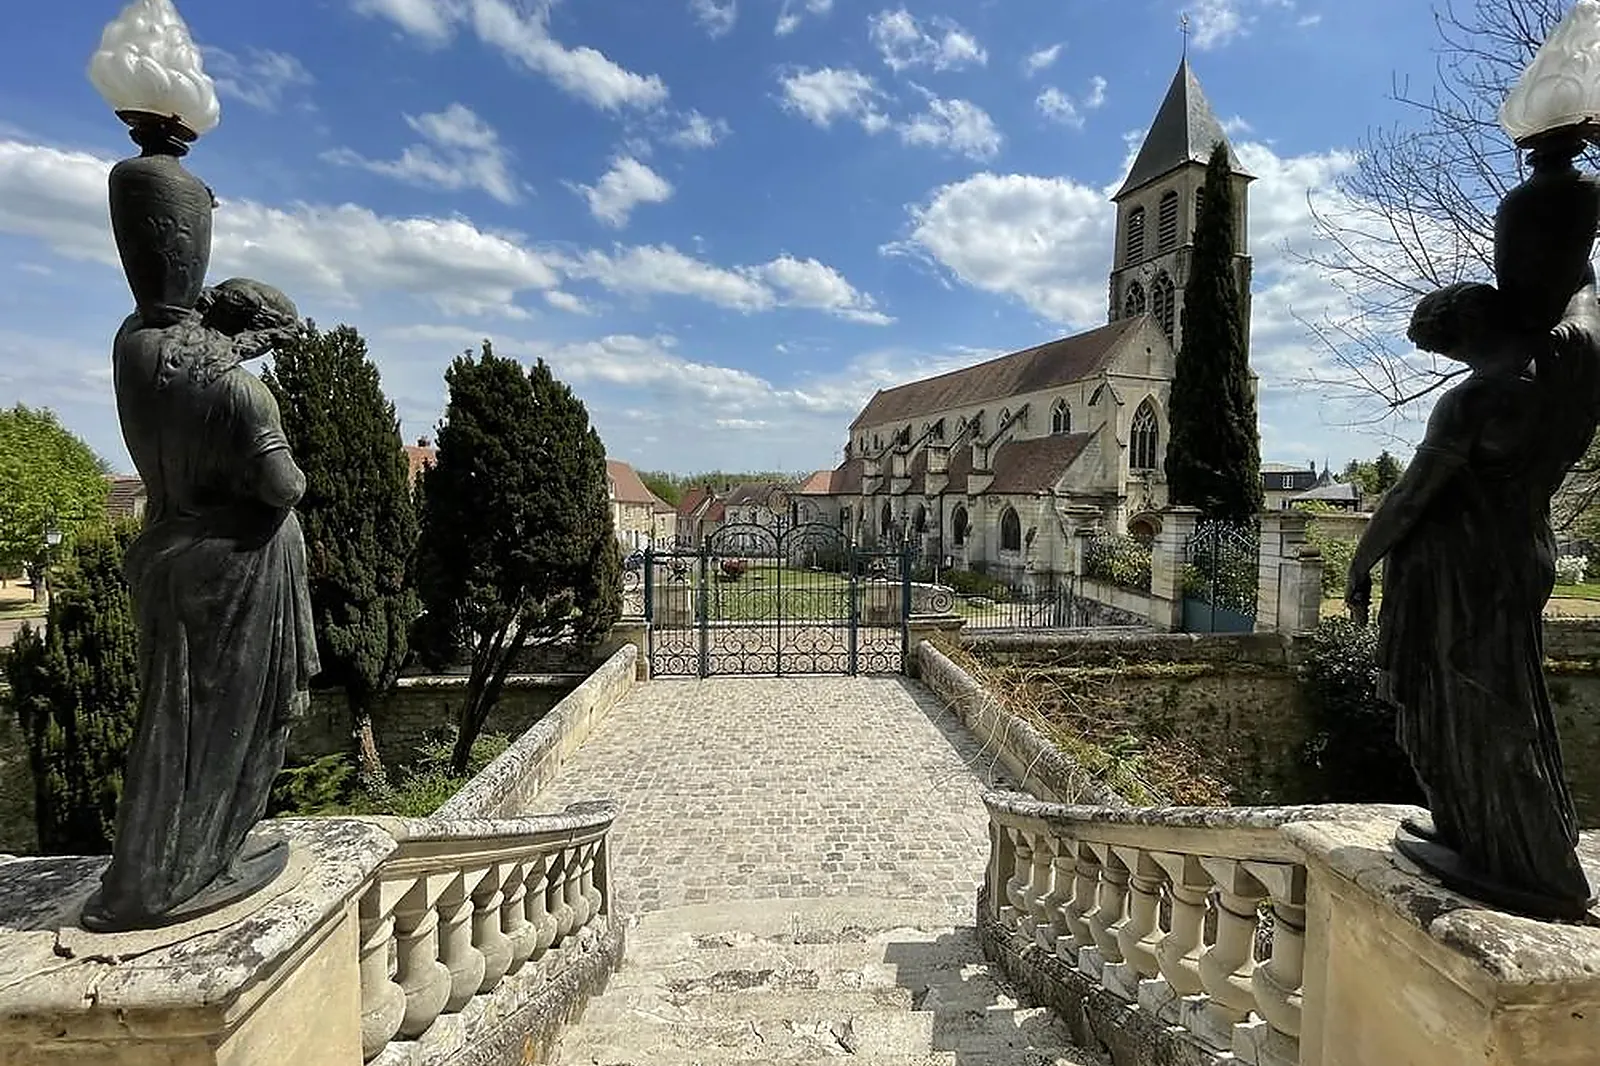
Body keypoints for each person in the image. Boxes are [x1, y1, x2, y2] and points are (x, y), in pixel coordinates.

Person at [82, 158, 317, 930]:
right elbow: (281, 489)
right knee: (228, 723)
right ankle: (187, 865)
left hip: (169, 554)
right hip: (237, 572)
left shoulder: (133, 345)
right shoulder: (237, 392)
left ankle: (168, 865)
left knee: (172, 721)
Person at [1346, 275, 1600, 914]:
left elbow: (1410, 496)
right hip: (1519, 557)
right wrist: (1575, 267)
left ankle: (1530, 861)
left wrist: (1360, 559)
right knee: (1508, 698)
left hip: (1459, 575)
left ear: (1465, 336)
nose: (1445, 363)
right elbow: (1583, 293)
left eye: (1442, 350)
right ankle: (1477, 826)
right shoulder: (1568, 367)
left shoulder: (1476, 400)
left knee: (1461, 709)